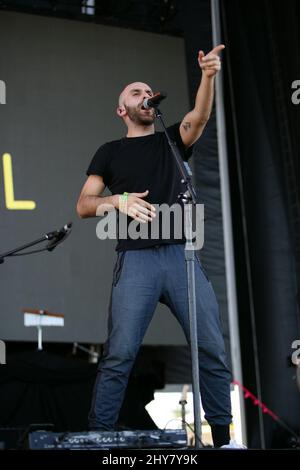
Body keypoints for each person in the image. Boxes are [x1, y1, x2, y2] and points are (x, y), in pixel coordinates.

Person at [77, 45, 234, 448]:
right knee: (120, 353)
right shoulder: (109, 152)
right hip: (136, 260)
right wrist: (118, 201)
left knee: (211, 348)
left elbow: (199, 116)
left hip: (181, 256)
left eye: (148, 92)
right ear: (122, 110)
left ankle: (222, 439)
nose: (145, 95)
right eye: (135, 93)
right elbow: (83, 205)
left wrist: (208, 77)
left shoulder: (171, 140)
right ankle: (100, 438)